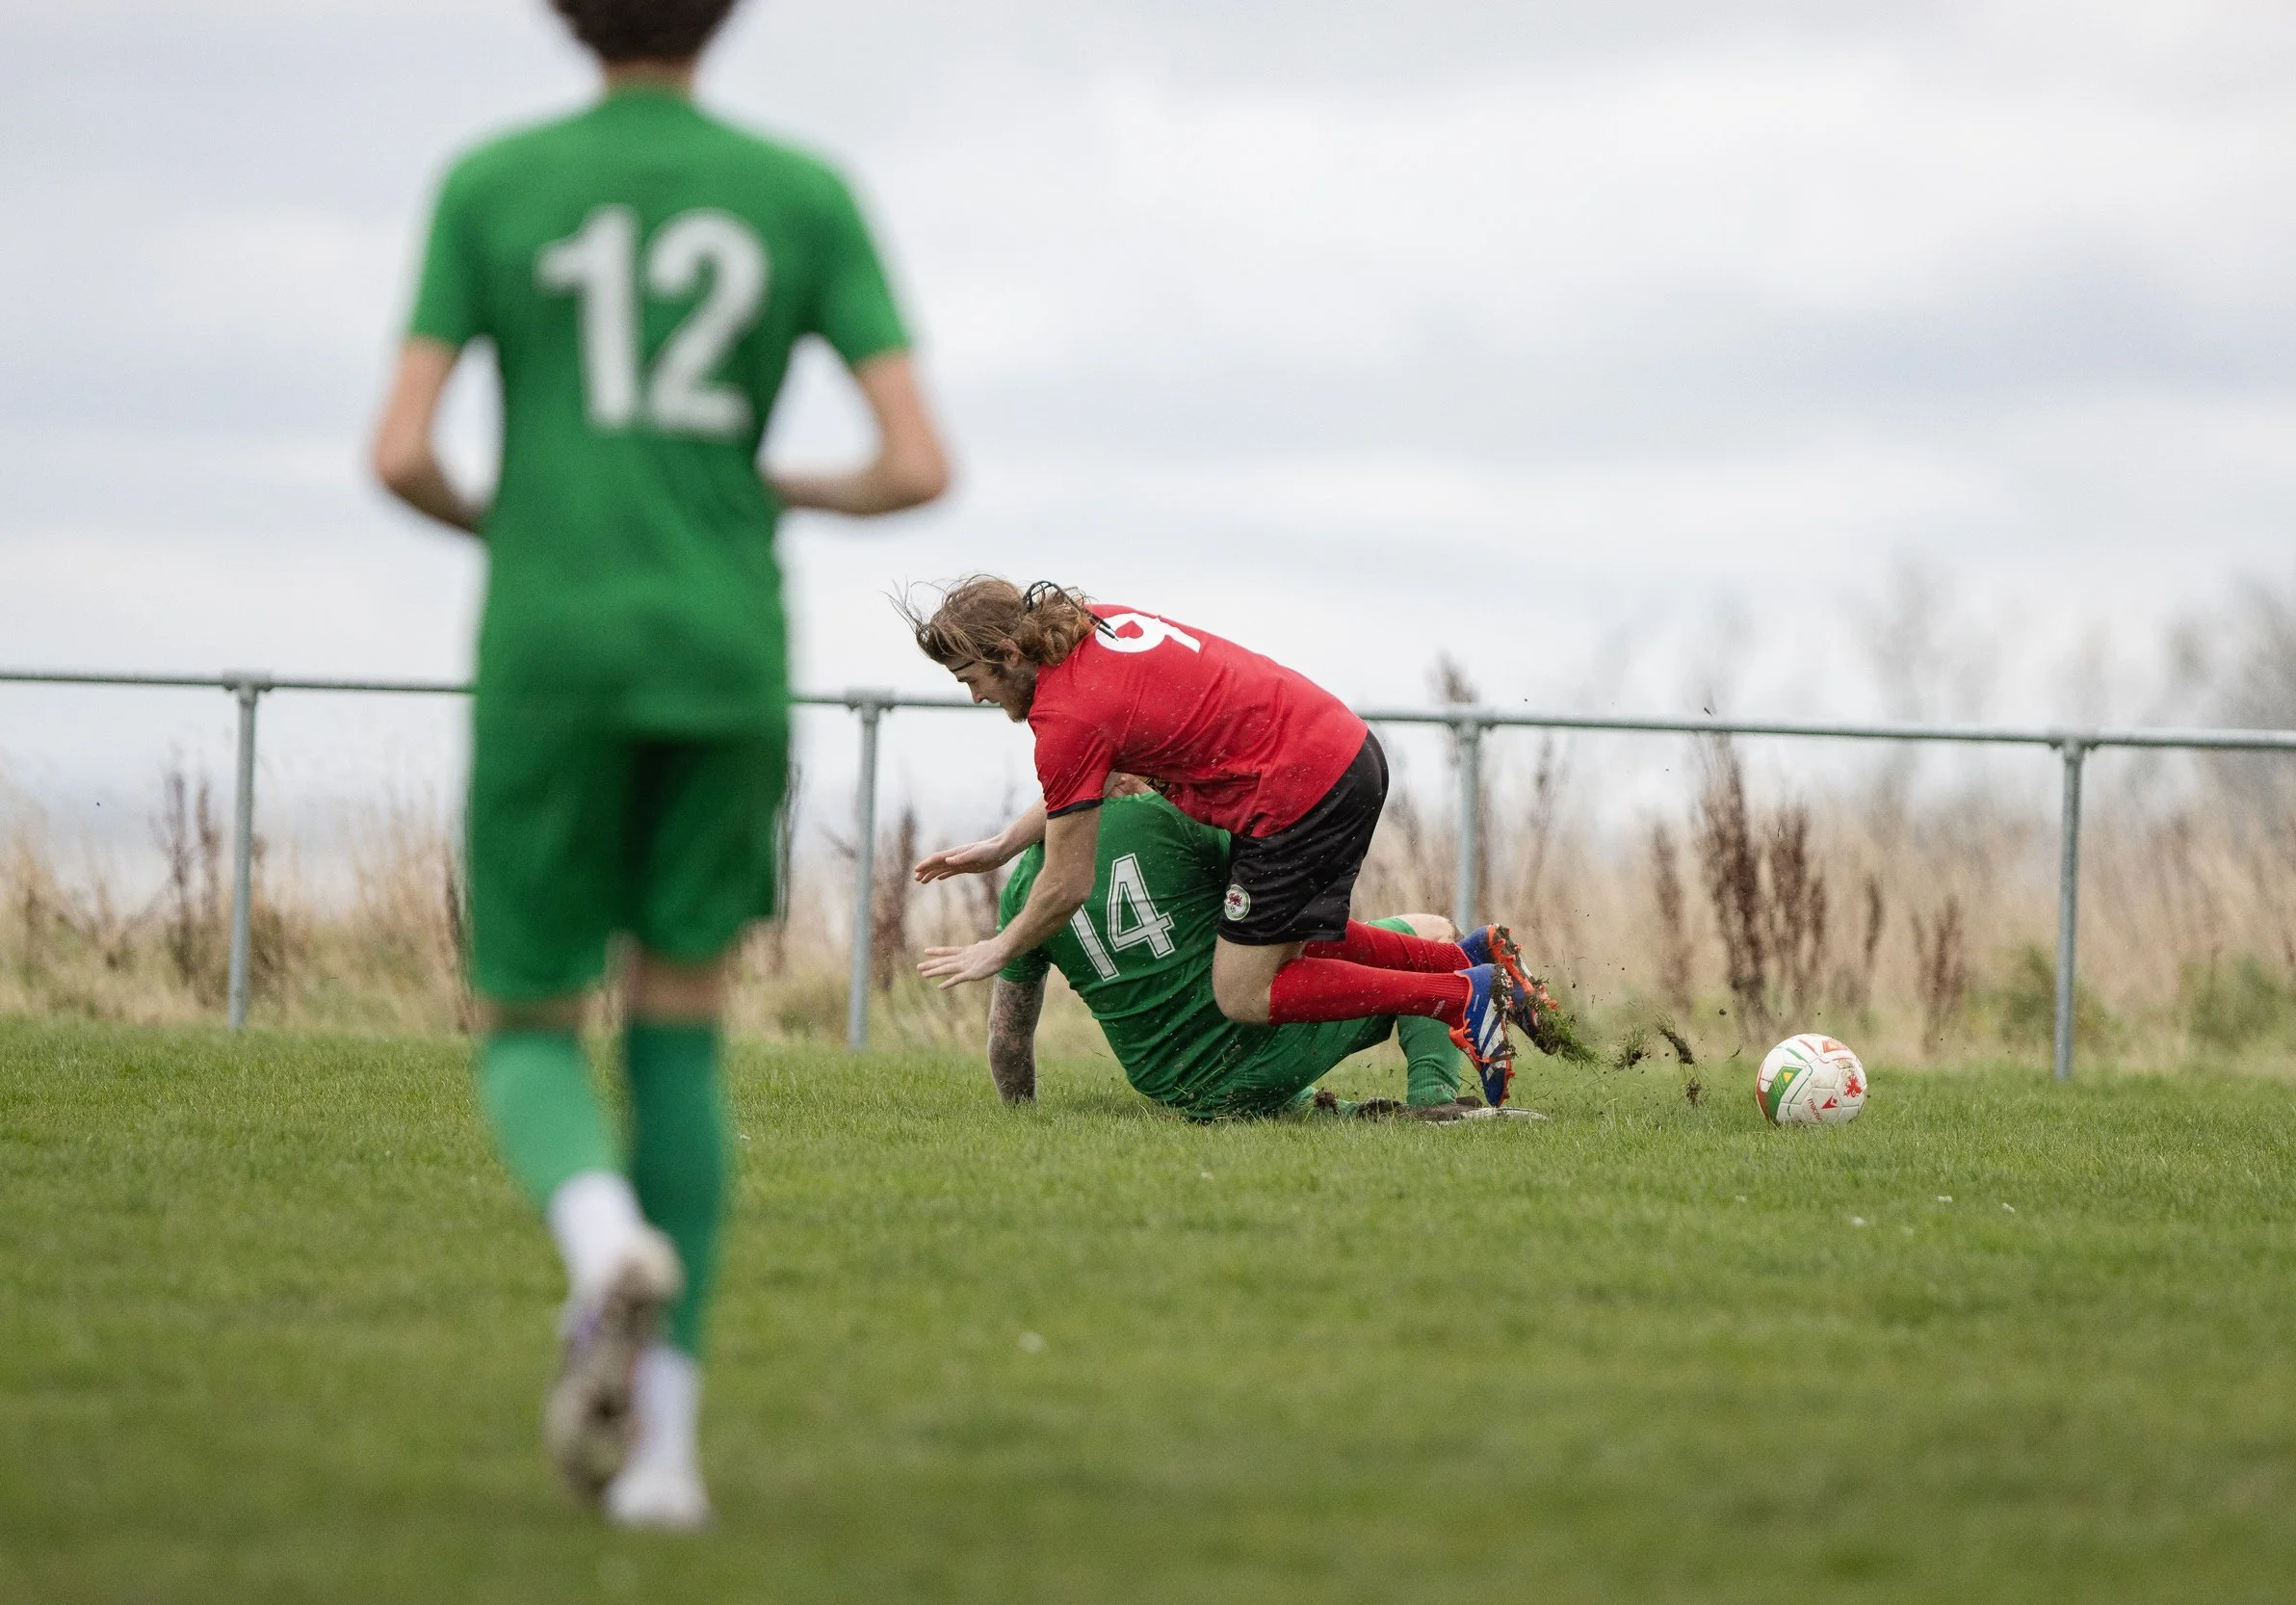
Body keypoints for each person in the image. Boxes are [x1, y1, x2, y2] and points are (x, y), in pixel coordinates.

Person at [368, 0, 948, 1529]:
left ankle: (599, 1231)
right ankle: (671, 1463)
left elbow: (401, 450)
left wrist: (526, 522)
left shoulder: (492, 184)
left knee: (526, 1021)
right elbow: (917, 463)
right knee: (682, 1025)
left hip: (553, 648)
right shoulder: (801, 192)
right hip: (722, 646)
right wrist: (769, 482)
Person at [907, 580, 1572, 1098]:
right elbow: (1087, 777)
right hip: (1339, 751)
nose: (973, 697)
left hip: (1297, 793)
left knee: (1244, 992)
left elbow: (1066, 884)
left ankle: (1462, 995)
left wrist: (998, 947)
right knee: (1290, 947)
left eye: (972, 678)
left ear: (1008, 654)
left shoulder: (1065, 717)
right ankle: (1472, 961)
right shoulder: (1090, 627)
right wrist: (1000, 845)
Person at [988, 787, 1537, 1121]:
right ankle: (1434, 1104)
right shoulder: (1162, 817)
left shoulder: (1021, 893)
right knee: (1432, 932)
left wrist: (1021, 1117)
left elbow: (1008, 1034)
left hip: (1182, 1092)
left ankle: (1312, 1109)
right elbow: (1286, 907)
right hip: (1254, 1044)